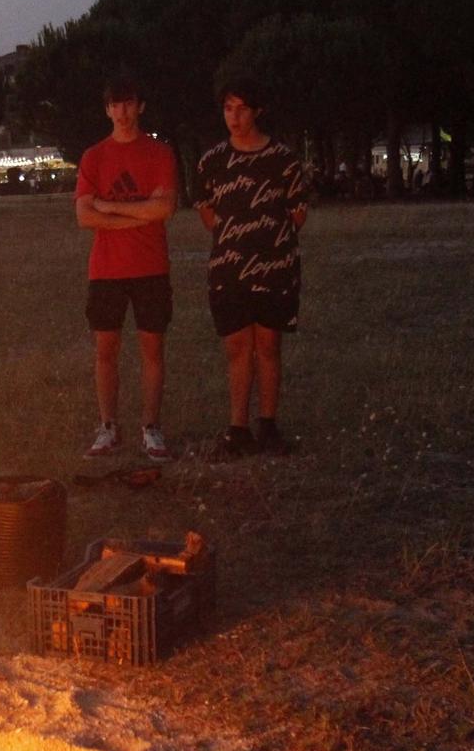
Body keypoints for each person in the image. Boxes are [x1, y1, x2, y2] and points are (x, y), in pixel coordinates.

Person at [194, 76, 310, 459]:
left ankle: (269, 426)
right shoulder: (212, 162)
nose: (235, 116)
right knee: (237, 348)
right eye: (228, 108)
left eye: (242, 108)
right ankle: (238, 428)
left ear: (258, 111)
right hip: (229, 270)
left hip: (275, 268)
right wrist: (237, 240)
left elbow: (297, 214)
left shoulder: (284, 160)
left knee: (269, 345)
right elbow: (208, 214)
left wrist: (266, 240)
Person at [74, 74, 178, 461]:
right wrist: (139, 214)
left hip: (150, 266)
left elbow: (164, 208)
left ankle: (151, 427)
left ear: (141, 107)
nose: (123, 112)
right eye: (115, 105)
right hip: (107, 270)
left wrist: (109, 207)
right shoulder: (94, 157)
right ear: (107, 110)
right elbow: (84, 215)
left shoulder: (159, 154)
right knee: (106, 349)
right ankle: (108, 426)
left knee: (152, 348)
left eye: (129, 104)